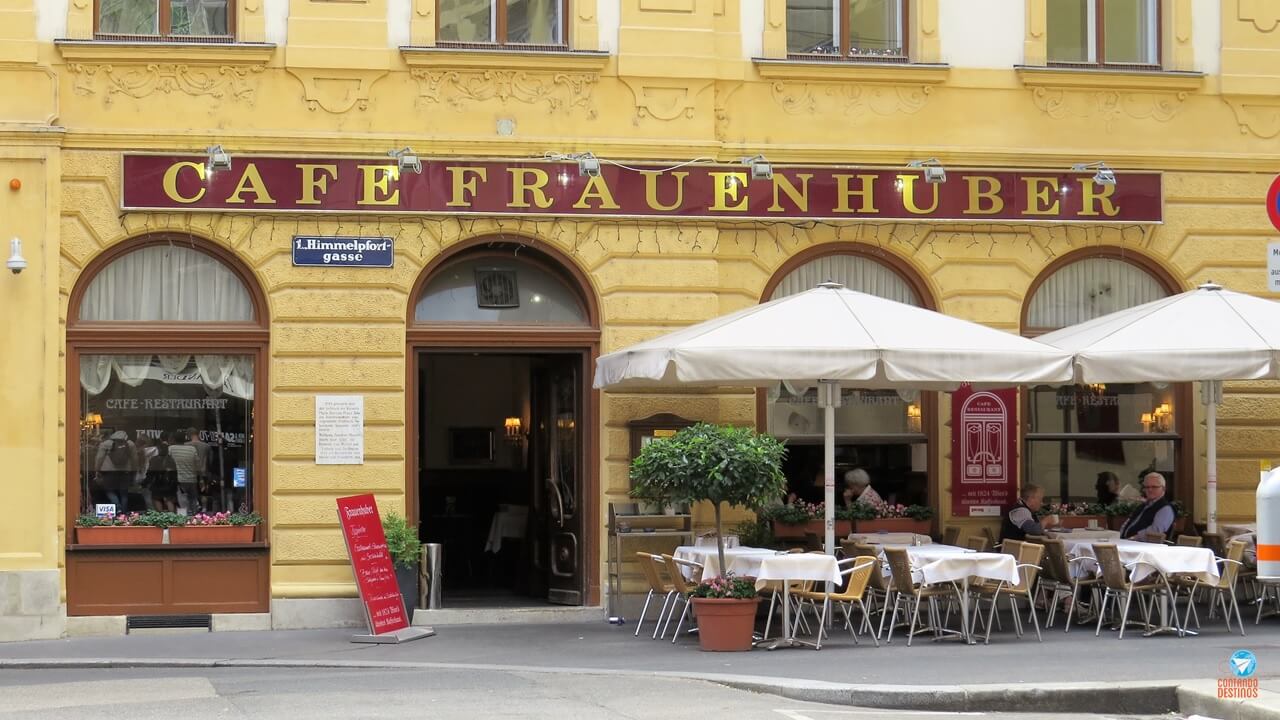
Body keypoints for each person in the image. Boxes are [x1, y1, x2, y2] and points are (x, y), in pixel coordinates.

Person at [1118, 471, 1175, 539]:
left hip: (1146, 547)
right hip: (1127, 543)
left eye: (1154, 487)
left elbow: (1155, 532)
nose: (1150, 490)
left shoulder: (1166, 509)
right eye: (1147, 487)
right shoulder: (1142, 506)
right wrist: (1121, 536)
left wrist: (1132, 538)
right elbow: (1126, 524)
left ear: (1163, 489)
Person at [94, 430, 136, 513]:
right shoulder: (130, 444)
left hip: (109, 472)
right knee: (124, 493)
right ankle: (123, 514)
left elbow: (99, 458)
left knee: (109, 490)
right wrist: (134, 470)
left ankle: (118, 507)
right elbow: (135, 459)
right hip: (125, 472)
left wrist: (97, 469)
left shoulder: (105, 444)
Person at [168, 431, 201, 513]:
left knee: (181, 502)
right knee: (193, 501)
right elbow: (198, 464)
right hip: (192, 479)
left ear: (174, 439)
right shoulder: (192, 449)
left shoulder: (171, 449)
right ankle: (195, 520)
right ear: (185, 439)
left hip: (179, 480)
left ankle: (183, 520)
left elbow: (167, 463)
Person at [146, 432, 179, 513]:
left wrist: (145, 483)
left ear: (159, 450)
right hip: (169, 485)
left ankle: (161, 516)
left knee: (156, 499)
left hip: (157, 484)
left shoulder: (154, 459)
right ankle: (172, 517)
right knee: (169, 500)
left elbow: (150, 473)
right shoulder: (171, 459)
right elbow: (175, 473)